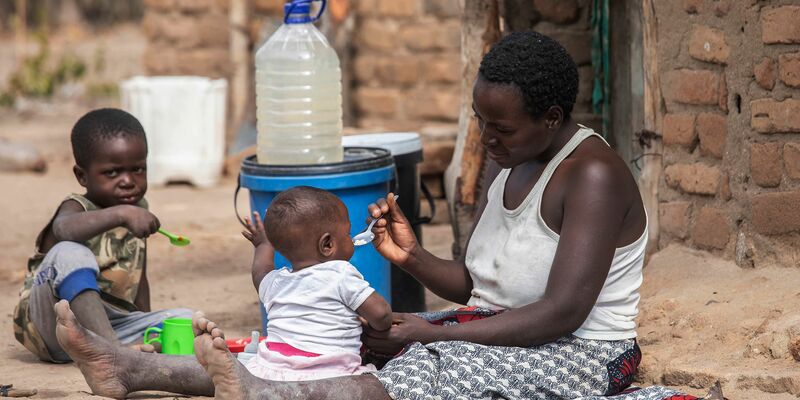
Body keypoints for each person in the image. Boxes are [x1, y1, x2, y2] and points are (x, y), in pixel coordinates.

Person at [52, 32, 701, 400]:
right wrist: (412, 259)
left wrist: (433, 335)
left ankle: (247, 391)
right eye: (482, 123)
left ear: (552, 120)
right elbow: (481, 286)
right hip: (502, 325)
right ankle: (135, 367)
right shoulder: (512, 158)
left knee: (422, 367)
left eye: (499, 128)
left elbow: (561, 312)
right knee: (331, 340)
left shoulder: (591, 174)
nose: (487, 141)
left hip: (587, 352)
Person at [13, 108, 193, 363]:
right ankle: (115, 354)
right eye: (112, 172)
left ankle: (115, 349)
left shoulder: (138, 210)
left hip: (106, 327)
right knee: (70, 253)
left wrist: (144, 320)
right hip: (53, 326)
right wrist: (121, 214)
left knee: (186, 320)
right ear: (82, 176)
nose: (128, 181)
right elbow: (63, 230)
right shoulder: (76, 208)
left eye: (138, 169)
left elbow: (138, 277)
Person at [240, 186, 392, 381]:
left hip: (272, 370)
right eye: (347, 233)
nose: (351, 239)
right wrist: (380, 324)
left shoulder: (275, 281)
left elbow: (260, 271)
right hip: (331, 373)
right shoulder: (340, 273)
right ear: (327, 244)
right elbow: (381, 315)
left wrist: (263, 245)